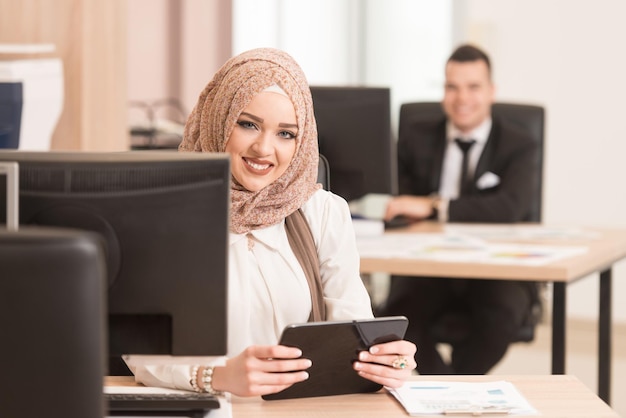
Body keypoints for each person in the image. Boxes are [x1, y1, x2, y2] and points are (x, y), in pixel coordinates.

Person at [131, 47, 417, 397]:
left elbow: (354, 329)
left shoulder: (323, 213)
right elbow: (140, 350)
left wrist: (385, 360)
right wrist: (216, 376)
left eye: (286, 134)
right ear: (219, 120)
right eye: (248, 124)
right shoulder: (165, 215)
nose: (265, 149)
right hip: (203, 406)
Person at [378, 44, 540, 374]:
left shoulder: (519, 143)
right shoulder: (416, 135)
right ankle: (448, 388)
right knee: (396, 316)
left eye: (473, 87)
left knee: (501, 316)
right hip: (429, 265)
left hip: (494, 269)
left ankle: (456, 387)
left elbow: (508, 207)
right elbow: (402, 199)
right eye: (452, 87)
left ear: (492, 92)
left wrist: (434, 206)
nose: (462, 98)